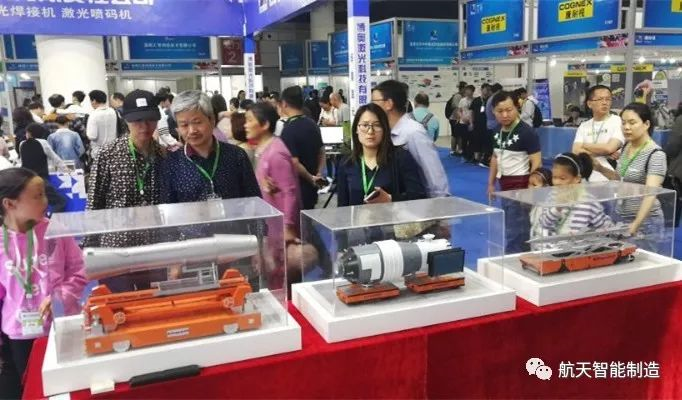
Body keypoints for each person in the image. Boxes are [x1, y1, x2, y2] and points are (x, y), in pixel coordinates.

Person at [0, 168, 86, 397]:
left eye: (44, 194)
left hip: (61, 327)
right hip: (19, 334)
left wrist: (59, 298)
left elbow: (79, 271)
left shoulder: (56, 232)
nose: (45, 201)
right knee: (32, 388)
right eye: (37, 196)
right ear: (9, 204)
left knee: (66, 387)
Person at [160, 90, 260, 204]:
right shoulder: (172, 163)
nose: (192, 130)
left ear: (212, 120)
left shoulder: (236, 156)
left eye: (197, 122)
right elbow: (168, 208)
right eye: (184, 125)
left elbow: (254, 202)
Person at [592, 103, 667, 251]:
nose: (626, 127)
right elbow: (620, 179)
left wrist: (636, 224)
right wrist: (600, 168)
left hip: (646, 223)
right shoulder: (626, 148)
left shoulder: (655, 154)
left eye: (632, 123)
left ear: (646, 124)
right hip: (621, 217)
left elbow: (650, 194)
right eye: (623, 123)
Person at [336, 103, 426, 207]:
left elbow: (419, 196)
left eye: (377, 125)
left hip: (392, 216)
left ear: (385, 129)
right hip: (357, 218)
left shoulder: (401, 157)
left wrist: (391, 199)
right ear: (356, 129)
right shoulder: (347, 163)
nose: (370, 131)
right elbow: (342, 206)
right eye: (365, 125)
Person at [372, 80, 450, 198]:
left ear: (389, 104)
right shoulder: (387, 131)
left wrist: (439, 203)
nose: (371, 107)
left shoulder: (414, 133)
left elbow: (433, 174)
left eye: (374, 102)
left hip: (418, 201)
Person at [245, 102, 300, 242]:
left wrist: (288, 226)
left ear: (265, 125)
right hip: (270, 221)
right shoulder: (263, 149)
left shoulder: (276, 154)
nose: (245, 125)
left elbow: (290, 192)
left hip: (280, 226)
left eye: (250, 120)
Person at [539, 152, 612, 236]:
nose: (557, 182)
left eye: (562, 178)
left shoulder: (589, 202)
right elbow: (543, 223)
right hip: (554, 243)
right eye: (554, 177)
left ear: (577, 179)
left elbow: (606, 228)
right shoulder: (552, 195)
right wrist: (557, 208)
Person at [279, 86, 325, 210]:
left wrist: (310, 178)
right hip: (312, 189)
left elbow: (294, 162)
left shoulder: (288, 129)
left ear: (284, 104)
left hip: (297, 188)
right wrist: (318, 174)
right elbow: (321, 151)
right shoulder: (312, 124)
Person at [488, 91, 541, 194]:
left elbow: (537, 162)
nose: (504, 115)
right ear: (493, 111)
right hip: (502, 181)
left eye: (509, 110)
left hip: (521, 183)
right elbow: (495, 157)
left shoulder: (527, 132)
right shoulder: (496, 130)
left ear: (517, 108)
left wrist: (531, 187)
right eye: (500, 111)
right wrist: (491, 184)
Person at [572, 85, 624, 182]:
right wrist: (604, 153)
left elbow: (609, 148)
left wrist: (584, 145)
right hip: (587, 178)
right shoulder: (584, 126)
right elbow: (575, 151)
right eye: (600, 99)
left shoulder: (618, 121)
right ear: (589, 104)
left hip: (611, 177)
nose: (604, 102)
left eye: (608, 99)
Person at [86, 89, 118, 159]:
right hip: (113, 150)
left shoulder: (93, 115)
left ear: (94, 101)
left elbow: (92, 136)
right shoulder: (113, 112)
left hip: (99, 153)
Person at [469, 83, 492, 164]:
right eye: (486, 89)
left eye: (489, 90)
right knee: (476, 140)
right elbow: (471, 112)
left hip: (487, 124)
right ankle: (476, 157)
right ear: (481, 90)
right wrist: (471, 123)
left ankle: (484, 157)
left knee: (486, 141)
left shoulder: (490, 100)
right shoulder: (476, 100)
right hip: (477, 124)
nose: (487, 91)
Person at [482, 83, 503, 165]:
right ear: (498, 91)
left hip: (491, 124)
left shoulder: (491, 98)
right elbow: (495, 112)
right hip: (494, 125)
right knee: (493, 145)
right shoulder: (494, 99)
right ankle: (486, 160)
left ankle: (487, 159)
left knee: (491, 144)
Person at [446, 82, 467, 155]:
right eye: (465, 88)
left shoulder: (461, 96)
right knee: (455, 135)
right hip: (455, 119)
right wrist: (459, 118)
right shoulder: (458, 96)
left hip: (457, 118)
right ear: (462, 88)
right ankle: (453, 150)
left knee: (458, 135)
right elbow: (456, 108)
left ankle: (458, 149)